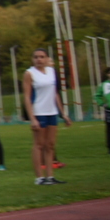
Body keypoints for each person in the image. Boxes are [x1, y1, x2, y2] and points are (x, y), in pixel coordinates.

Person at [23, 48, 69, 185]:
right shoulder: (29, 73)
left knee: (50, 145)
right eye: (36, 57)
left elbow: (55, 93)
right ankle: (39, 178)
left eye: (42, 57)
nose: (39, 59)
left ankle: (50, 176)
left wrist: (63, 113)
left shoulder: (51, 71)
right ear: (33, 59)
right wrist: (32, 118)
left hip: (52, 112)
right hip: (39, 112)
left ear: (47, 58)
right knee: (39, 144)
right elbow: (27, 97)